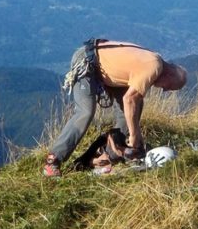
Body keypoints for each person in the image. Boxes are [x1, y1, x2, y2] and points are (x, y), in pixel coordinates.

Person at [44, 39, 187, 177]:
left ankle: (107, 155)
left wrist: (134, 132)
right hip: (88, 61)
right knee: (85, 112)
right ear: (169, 75)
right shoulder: (153, 67)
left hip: (100, 64)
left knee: (135, 108)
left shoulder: (154, 61)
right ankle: (53, 160)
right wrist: (135, 134)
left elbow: (133, 101)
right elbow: (129, 99)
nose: (163, 89)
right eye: (168, 87)